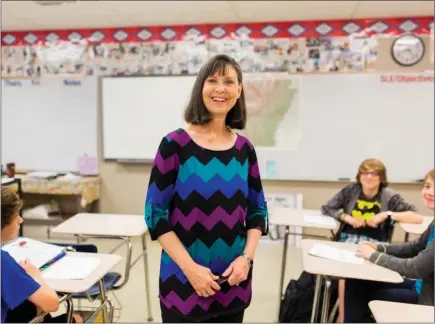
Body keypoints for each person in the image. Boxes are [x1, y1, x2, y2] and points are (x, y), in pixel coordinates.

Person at [144, 54, 268, 323]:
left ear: (239, 90)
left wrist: (246, 258)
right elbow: (155, 215)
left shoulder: (244, 149)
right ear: (201, 87)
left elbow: (258, 211)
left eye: (228, 81)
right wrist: (191, 270)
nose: (220, 88)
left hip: (234, 281)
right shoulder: (174, 144)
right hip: (183, 282)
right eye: (212, 80)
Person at [321, 158, 423, 322]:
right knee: (345, 271)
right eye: (365, 173)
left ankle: (356, 310)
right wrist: (346, 217)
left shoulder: (389, 196)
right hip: (348, 239)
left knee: (366, 270)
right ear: (359, 175)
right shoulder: (350, 191)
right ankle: (343, 316)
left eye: (374, 174)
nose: (369, 177)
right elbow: (327, 208)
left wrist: (387, 214)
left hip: (377, 242)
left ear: (381, 177)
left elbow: (416, 216)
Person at [344, 168, 434, 322]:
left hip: (426, 300)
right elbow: (415, 247)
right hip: (420, 286)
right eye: (427, 186)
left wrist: (374, 256)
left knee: (372, 299)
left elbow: (414, 268)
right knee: (356, 281)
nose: (430, 192)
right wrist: (378, 248)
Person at [1, 186, 82, 323]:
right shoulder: (4, 262)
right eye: (16, 215)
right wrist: (35, 275)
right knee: (76, 318)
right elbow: (52, 304)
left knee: (33, 305)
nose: (20, 220)